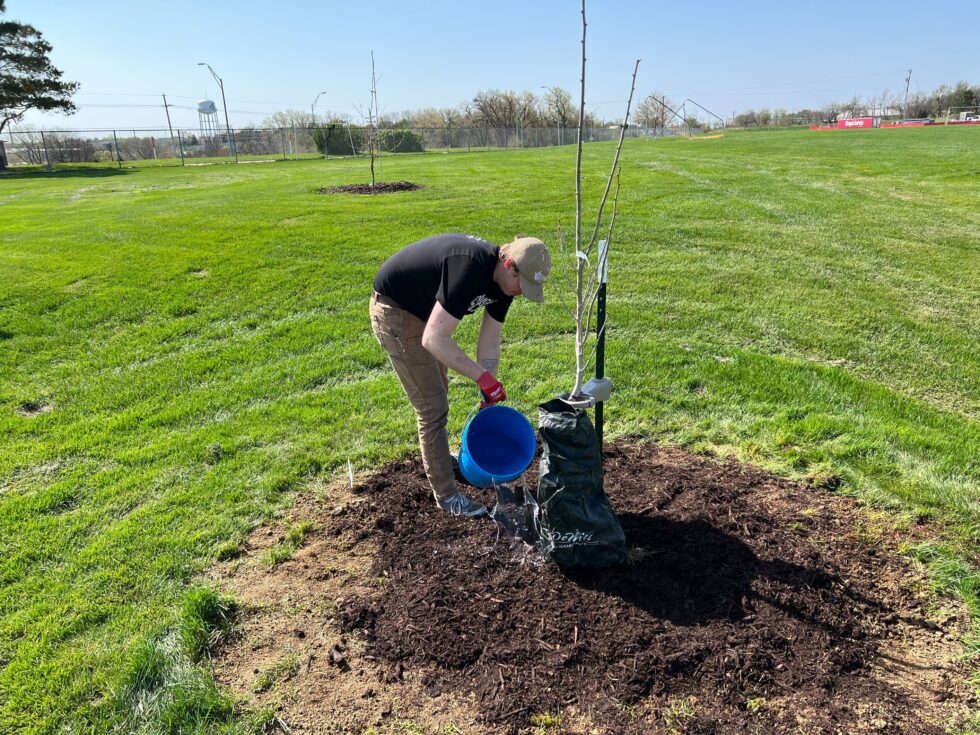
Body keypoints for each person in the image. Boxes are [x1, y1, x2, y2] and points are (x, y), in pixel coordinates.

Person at [369, 233, 552, 518]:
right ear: (509, 265)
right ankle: (447, 496)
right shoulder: (469, 267)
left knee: (439, 393)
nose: (521, 293)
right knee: (432, 407)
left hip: (424, 312)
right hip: (396, 311)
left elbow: (489, 340)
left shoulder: (504, 286)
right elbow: (434, 339)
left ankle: (441, 460)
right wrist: (482, 378)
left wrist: (487, 392)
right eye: (522, 284)